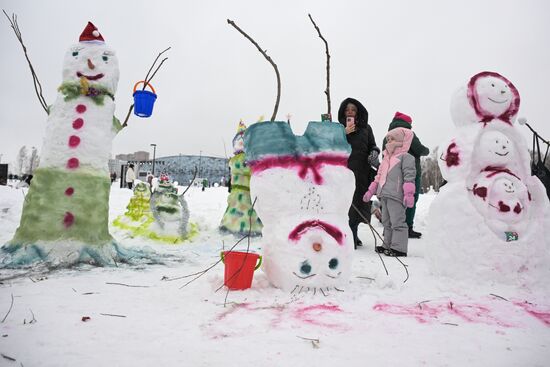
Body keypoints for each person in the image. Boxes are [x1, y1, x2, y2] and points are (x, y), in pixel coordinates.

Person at [363, 127, 416, 257]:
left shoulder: (406, 157)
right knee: (386, 222)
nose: (389, 141)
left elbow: (409, 176)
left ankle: (399, 248)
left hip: (396, 195)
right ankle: (387, 244)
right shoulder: (386, 159)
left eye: (392, 138)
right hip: (384, 195)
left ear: (399, 140)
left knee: (397, 221)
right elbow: (378, 177)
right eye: (388, 139)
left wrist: (409, 194)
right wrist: (371, 191)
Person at [338, 97, 380, 249]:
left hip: (361, 172)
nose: (350, 112)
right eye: (347, 109)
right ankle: (350, 236)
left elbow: (372, 145)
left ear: (358, 112)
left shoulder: (366, 128)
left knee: (359, 203)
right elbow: (331, 145)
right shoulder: (338, 128)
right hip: (344, 172)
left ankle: (353, 234)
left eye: (353, 109)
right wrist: (343, 133)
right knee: (347, 205)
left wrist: (374, 153)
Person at [382, 112, 429, 238]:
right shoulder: (409, 134)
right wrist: (426, 151)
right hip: (411, 173)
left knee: (393, 200)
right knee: (411, 199)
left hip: (392, 174)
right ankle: (407, 227)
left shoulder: (388, 136)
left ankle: (389, 228)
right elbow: (420, 149)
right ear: (408, 123)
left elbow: (384, 155)